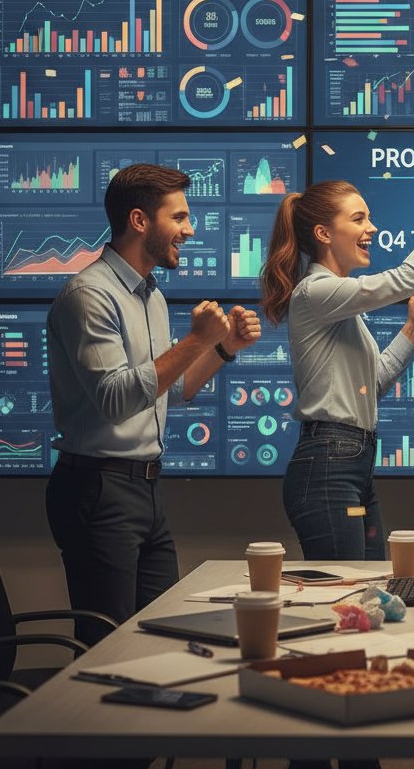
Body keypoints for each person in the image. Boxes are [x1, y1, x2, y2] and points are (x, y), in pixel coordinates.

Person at [46, 164, 262, 643]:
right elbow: (116, 398)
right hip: (97, 488)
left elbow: (173, 388)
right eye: (179, 217)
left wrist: (223, 348)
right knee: (106, 642)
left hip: (145, 488)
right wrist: (196, 340)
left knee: (159, 632)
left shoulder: (152, 297)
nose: (190, 229)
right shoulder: (89, 295)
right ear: (140, 221)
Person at [260, 133, 414, 561]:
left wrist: (411, 329)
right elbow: (410, 277)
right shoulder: (316, 291)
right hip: (328, 466)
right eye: (358, 219)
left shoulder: (339, 305)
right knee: (344, 587)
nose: (371, 228)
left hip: (352, 463)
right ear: (324, 233)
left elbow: (372, 383)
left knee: (371, 585)